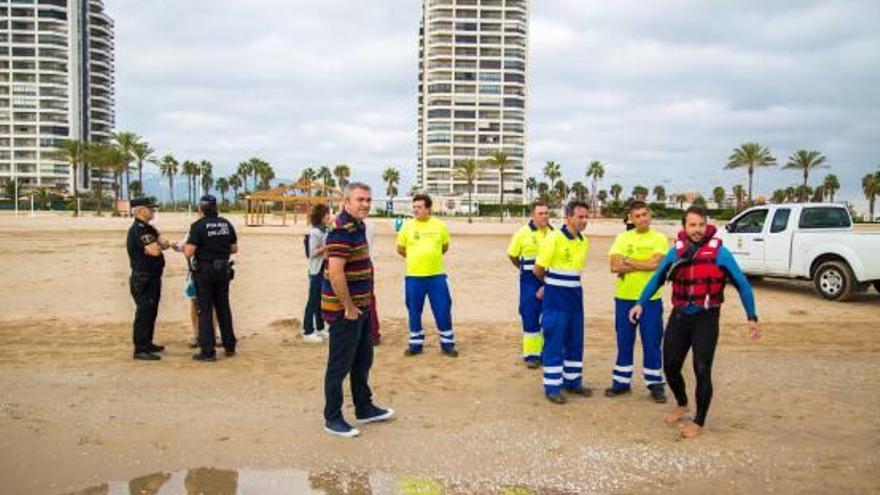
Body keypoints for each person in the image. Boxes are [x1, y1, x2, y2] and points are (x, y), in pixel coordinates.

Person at [629, 205, 761, 439]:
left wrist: (752, 317)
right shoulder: (676, 253)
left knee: (702, 369)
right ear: (684, 226)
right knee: (669, 365)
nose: (697, 230)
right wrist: (640, 302)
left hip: (706, 317)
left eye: (701, 225)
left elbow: (743, 285)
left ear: (706, 225)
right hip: (680, 316)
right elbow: (657, 279)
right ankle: (682, 403)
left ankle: (699, 421)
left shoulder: (721, 254)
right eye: (692, 225)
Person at [321, 182, 393, 437]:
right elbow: (335, 273)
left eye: (367, 200)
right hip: (345, 312)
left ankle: (364, 407)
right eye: (359, 199)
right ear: (346, 201)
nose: (364, 204)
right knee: (339, 366)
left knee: (363, 360)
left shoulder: (358, 226)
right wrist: (349, 308)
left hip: (361, 308)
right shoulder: (341, 230)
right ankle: (332, 418)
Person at [605, 201, 669, 402]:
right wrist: (643, 264)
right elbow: (614, 266)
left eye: (644, 214)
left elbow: (655, 265)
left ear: (650, 215)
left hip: (651, 300)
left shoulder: (660, 238)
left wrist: (629, 261)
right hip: (624, 298)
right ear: (631, 219)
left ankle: (655, 384)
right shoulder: (622, 238)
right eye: (637, 216)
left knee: (652, 342)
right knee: (624, 341)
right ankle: (621, 382)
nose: (642, 219)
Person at [533, 200, 592, 403]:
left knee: (575, 341)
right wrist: (549, 284)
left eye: (586, 217)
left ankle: (573, 382)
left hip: (575, 298)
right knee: (554, 341)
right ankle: (552, 387)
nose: (584, 221)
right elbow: (538, 269)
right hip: (556, 299)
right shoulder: (553, 238)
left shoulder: (583, 241)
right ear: (568, 217)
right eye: (580, 217)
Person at [397, 194, 457, 357]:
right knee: (414, 310)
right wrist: (417, 259)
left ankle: (447, 344)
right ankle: (415, 344)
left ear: (428, 209)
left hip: (436, 276)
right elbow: (401, 249)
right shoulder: (407, 227)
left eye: (419, 207)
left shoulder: (440, 226)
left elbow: (444, 247)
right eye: (414, 207)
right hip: (414, 277)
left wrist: (430, 257)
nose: (415, 210)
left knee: (443, 309)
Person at [184, 195, 238, 362]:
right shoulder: (226, 224)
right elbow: (234, 248)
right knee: (223, 307)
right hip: (223, 269)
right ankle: (229, 345)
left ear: (201, 209)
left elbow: (189, 252)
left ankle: (208, 350)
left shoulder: (198, 226)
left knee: (205, 309)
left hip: (205, 270)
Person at [506, 200, 553, 368]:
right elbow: (512, 255)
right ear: (533, 215)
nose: (544, 216)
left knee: (549, 317)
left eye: (546, 213)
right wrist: (524, 268)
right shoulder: (522, 233)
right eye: (540, 213)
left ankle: (546, 352)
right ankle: (532, 355)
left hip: (551, 280)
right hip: (529, 280)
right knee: (530, 314)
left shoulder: (554, 233)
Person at [127, 197, 170, 361]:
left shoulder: (148, 228)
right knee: (144, 313)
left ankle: (147, 342)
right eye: (149, 209)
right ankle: (140, 348)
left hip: (152, 276)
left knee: (151, 311)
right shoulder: (140, 229)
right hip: (144, 277)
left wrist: (157, 245)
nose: (153, 211)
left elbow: (164, 244)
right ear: (139, 210)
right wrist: (156, 247)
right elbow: (156, 251)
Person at [303, 203, 331, 344]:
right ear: (321, 216)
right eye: (327, 214)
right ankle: (307, 330)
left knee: (320, 301)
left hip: (323, 270)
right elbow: (312, 253)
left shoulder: (324, 230)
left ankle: (320, 328)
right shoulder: (314, 232)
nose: (329, 216)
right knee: (313, 301)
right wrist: (326, 246)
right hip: (316, 270)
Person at [364, 219, 382, 345]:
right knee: (369, 300)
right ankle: (373, 333)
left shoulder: (366, 225)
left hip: (362, 263)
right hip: (367, 263)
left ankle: (372, 333)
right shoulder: (370, 224)